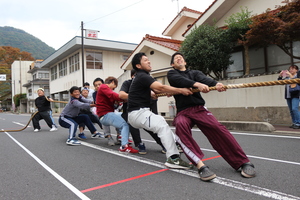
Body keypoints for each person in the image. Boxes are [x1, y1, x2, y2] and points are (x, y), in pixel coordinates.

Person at [167, 52, 256, 181]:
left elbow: (205, 79)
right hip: (183, 112)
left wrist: (216, 84)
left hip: (199, 109)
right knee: (180, 126)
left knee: (218, 128)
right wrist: (197, 85)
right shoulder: (172, 74)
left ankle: (243, 162)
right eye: (176, 59)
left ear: (185, 62)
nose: (179, 58)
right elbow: (180, 81)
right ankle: (200, 165)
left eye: (181, 57)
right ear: (173, 64)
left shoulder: (195, 73)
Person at [127, 52, 193, 169]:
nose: (149, 61)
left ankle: (175, 145)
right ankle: (173, 158)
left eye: (149, 60)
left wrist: (169, 91)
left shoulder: (142, 77)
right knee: (161, 123)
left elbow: (157, 90)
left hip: (140, 113)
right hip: (137, 113)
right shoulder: (142, 75)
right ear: (138, 65)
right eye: (145, 60)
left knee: (161, 125)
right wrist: (180, 90)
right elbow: (160, 87)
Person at [119, 69, 166, 154]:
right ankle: (139, 144)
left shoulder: (147, 83)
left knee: (151, 126)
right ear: (133, 76)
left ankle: (163, 144)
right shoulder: (127, 83)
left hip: (145, 110)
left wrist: (170, 91)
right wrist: (136, 96)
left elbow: (159, 91)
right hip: (131, 112)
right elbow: (121, 95)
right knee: (132, 125)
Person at [96, 76, 138, 153]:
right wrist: (130, 97)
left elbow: (115, 99)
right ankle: (124, 146)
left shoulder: (105, 90)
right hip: (105, 115)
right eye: (114, 87)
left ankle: (122, 136)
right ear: (112, 82)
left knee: (126, 117)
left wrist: (123, 100)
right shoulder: (103, 86)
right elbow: (114, 95)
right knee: (125, 124)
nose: (113, 89)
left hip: (107, 114)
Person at [93, 77, 120, 145]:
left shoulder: (108, 90)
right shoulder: (96, 93)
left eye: (99, 84)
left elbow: (113, 98)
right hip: (101, 111)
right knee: (105, 119)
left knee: (118, 117)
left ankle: (119, 135)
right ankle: (109, 136)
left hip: (111, 109)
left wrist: (117, 101)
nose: (98, 86)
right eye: (96, 85)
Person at [278, 65, 300, 129]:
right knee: (291, 110)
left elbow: (294, 80)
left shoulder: (297, 76)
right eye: (290, 69)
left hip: (296, 94)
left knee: (294, 109)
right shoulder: (287, 77)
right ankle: (294, 123)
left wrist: (290, 75)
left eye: (293, 69)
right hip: (288, 95)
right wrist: (280, 76)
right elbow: (280, 82)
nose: (291, 70)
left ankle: (298, 123)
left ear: (297, 70)